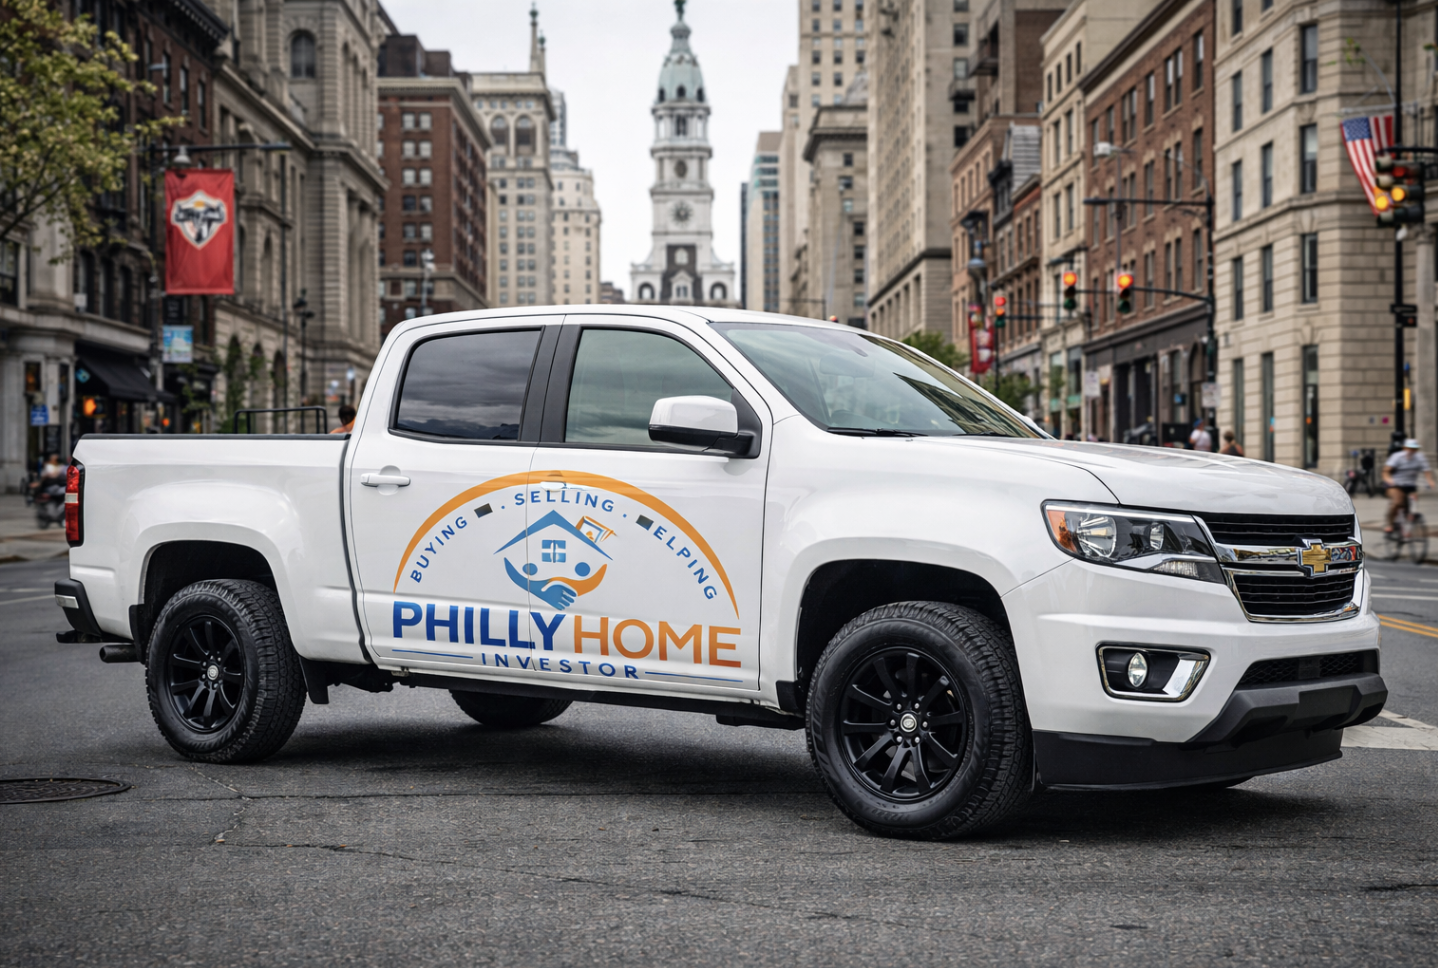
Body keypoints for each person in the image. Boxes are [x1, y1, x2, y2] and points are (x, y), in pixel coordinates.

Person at [1383, 438, 1436, 533]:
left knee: (1413, 502)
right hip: (1396, 485)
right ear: (1404, 448)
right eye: (1409, 448)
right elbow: (1386, 471)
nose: (1412, 451)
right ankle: (1390, 524)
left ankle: (1409, 521)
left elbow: (1426, 471)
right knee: (1397, 502)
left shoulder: (1420, 457)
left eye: (1414, 449)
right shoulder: (1397, 456)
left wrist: (1430, 481)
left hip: (1410, 485)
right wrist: (1389, 480)